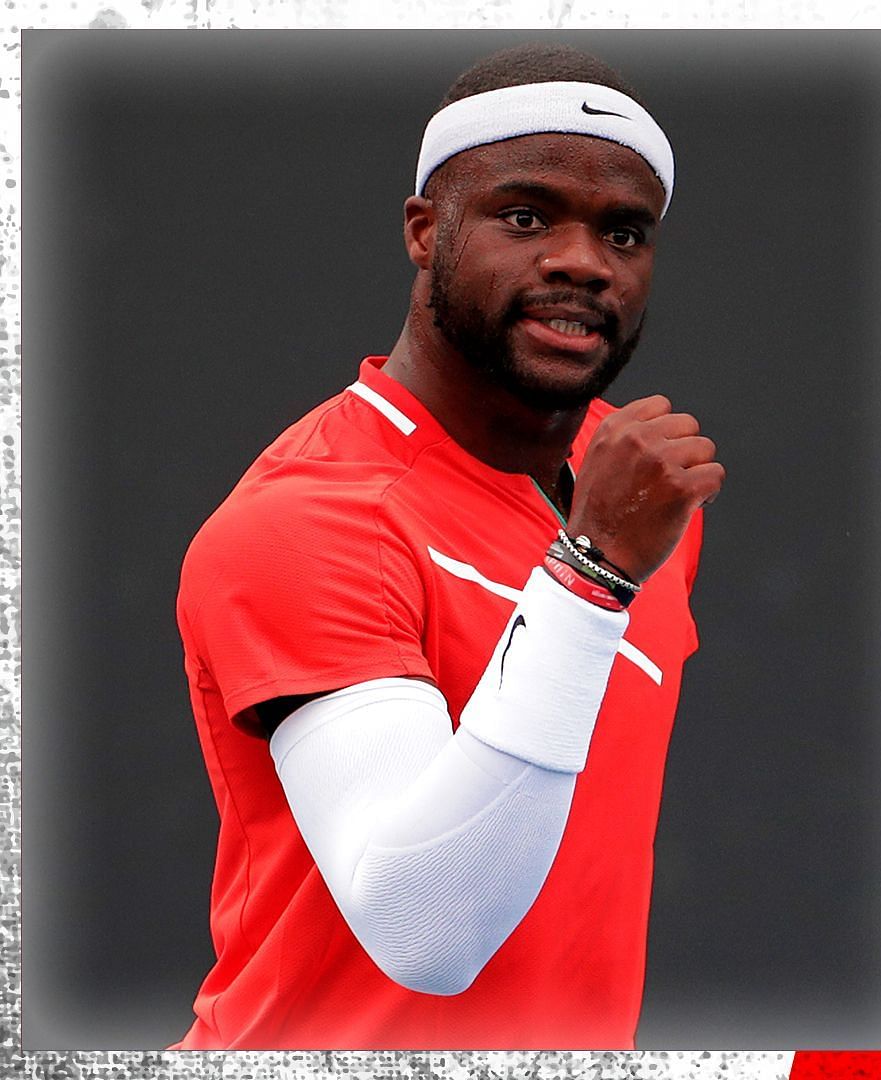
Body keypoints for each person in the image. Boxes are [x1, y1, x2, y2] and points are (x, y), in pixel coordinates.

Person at [171, 44, 722, 1050]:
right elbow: (427, 929)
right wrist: (591, 574)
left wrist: (595, 553)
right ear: (426, 232)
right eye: (525, 217)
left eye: (625, 233)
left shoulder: (625, 488)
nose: (583, 262)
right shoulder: (312, 518)